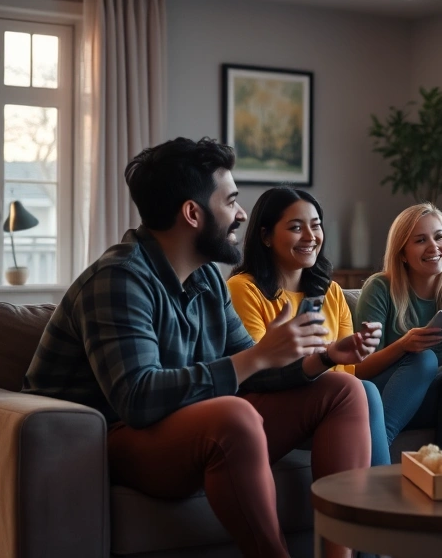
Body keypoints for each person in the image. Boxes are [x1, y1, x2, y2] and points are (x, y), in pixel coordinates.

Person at [23, 137, 381, 558]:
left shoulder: (207, 279)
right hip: (111, 438)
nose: (242, 214)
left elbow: (255, 370)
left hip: (190, 424)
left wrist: (324, 358)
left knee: (345, 391)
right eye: (231, 201)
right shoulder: (118, 278)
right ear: (193, 214)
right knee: (233, 412)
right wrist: (258, 355)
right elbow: (137, 398)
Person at [227, 187, 389, 466]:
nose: (310, 237)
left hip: (332, 402)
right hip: (272, 409)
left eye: (315, 226)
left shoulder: (331, 292)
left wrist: (355, 349)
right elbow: (254, 372)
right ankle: (376, 505)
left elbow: (346, 372)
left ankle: (370, 503)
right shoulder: (243, 288)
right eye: (295, 227)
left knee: (365, 389)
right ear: (265, 236)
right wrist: (324, 357)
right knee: (365, 391)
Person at [354, 203, 442, 449]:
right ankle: (377, 443)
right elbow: (359, 370)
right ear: (402, 253)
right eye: (421, 240)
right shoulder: (379, 288)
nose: (433, 247)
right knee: (424, 359)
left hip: (434, 401)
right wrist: (403, 346)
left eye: (439, 236)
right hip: (385, 396)